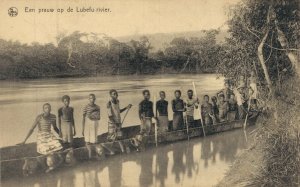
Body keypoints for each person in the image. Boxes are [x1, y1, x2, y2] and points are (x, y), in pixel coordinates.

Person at [20, 103, 63, 172]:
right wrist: (24, 140)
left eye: (49, 108)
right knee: (44, 149)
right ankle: (45, 168)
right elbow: (32, 129)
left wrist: (60, 135)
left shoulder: (53, 117)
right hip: (41, 135)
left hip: (49, 134)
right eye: (46, 108)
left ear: (50, 109)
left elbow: (55, 127)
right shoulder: (39, 117)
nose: (47, 109)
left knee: (59, 147)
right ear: (43, 110)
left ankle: (54, 165)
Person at [82, 94, 100, 158]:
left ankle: (95, 154)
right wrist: (82, 129)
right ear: (89, 99)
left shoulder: (97, 107)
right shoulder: (86, 107)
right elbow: (84, 118)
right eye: (90, 98)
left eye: (93, 98)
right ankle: (89, 155)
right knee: (87, 141)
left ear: (95, 99)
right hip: (87, 124)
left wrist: (94, 117)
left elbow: (98, 117)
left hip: (94, 124)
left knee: (94, 140)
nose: (92, 99)